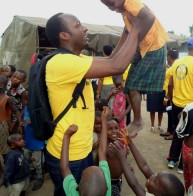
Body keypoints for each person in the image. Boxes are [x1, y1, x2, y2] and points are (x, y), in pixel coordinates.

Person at [44, 12, 140, 196]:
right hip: (70, 154)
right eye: (78, 25)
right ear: (64, 35)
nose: (85, 28)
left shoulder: (76, 59)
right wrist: (137, 28)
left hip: (81, 147)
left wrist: (127, 32)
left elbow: (111, 59)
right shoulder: (62, 62)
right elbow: (117, 65)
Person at [99, 0, 168, 136]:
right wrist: (114, 55)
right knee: (129, 85)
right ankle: (136, 117)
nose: (110, 7)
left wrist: (135, 42)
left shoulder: (131, 2)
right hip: (145, 49)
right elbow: (126, 32)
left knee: (133, 85)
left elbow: (149, 18)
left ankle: (137, 120)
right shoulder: (125, 11)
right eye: (107, 5)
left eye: (111, 3)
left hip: (153, 48)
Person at [166, 37, 193, 174]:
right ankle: (183, 165)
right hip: (192, 107)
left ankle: (172, 159)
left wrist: (171, 99)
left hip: (177, 104)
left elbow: (170, 84)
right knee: (190, 136)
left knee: (178, 131)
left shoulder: (177, 62)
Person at [109, 127, 185, 196]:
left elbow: (134, 185)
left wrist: (122, 158)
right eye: (156, 175)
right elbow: (144, 166)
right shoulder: (157, 184)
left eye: (155, 181)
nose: (152, 176)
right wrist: (129, 142)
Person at [60, 107, 111, 196]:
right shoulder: (105, 189)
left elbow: (64, 169)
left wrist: (67, 136)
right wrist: (104, 121)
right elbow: (102, 151)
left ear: (78, 187)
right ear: (107, 188)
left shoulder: (75, 193)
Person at [21, 98, 45, 191]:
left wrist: (31, 120)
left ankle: (40, 177)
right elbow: (25, 120)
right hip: (27, 140)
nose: (27, 102)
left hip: (37, 142)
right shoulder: (26, 108)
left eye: (29, 99)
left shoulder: (40, 109)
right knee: (27, 159)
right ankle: (31, 173)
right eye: (26, 99)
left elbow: (41, 122)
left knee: (38, 162)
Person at [160, 49, 179, 140]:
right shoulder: (173, 67)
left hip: (171, 95)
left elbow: (171, 84)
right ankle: (169, 130)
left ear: (169, 57)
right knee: (169, 113)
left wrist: (167, 97)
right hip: (170, 93)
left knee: (172, 115)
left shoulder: (173, 68)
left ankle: (173, 133)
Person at [106, 118, 127, 195]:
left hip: (119, 179)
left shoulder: (119, 143)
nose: (114, 131)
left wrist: (128, 165)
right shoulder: (104, 147)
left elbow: (123, 158)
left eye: (116, 128)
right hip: (109, 182)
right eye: (110, 129)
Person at [6, 70, 27, 134]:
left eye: (18, 78)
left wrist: (15, 122)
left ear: (23, 81)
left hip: (15, 115)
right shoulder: (6, 84)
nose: (15, 79)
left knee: (11, 132)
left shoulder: (22, 92)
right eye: (14, 76)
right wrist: (10, 88)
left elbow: (23, 108)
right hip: (4, 112)